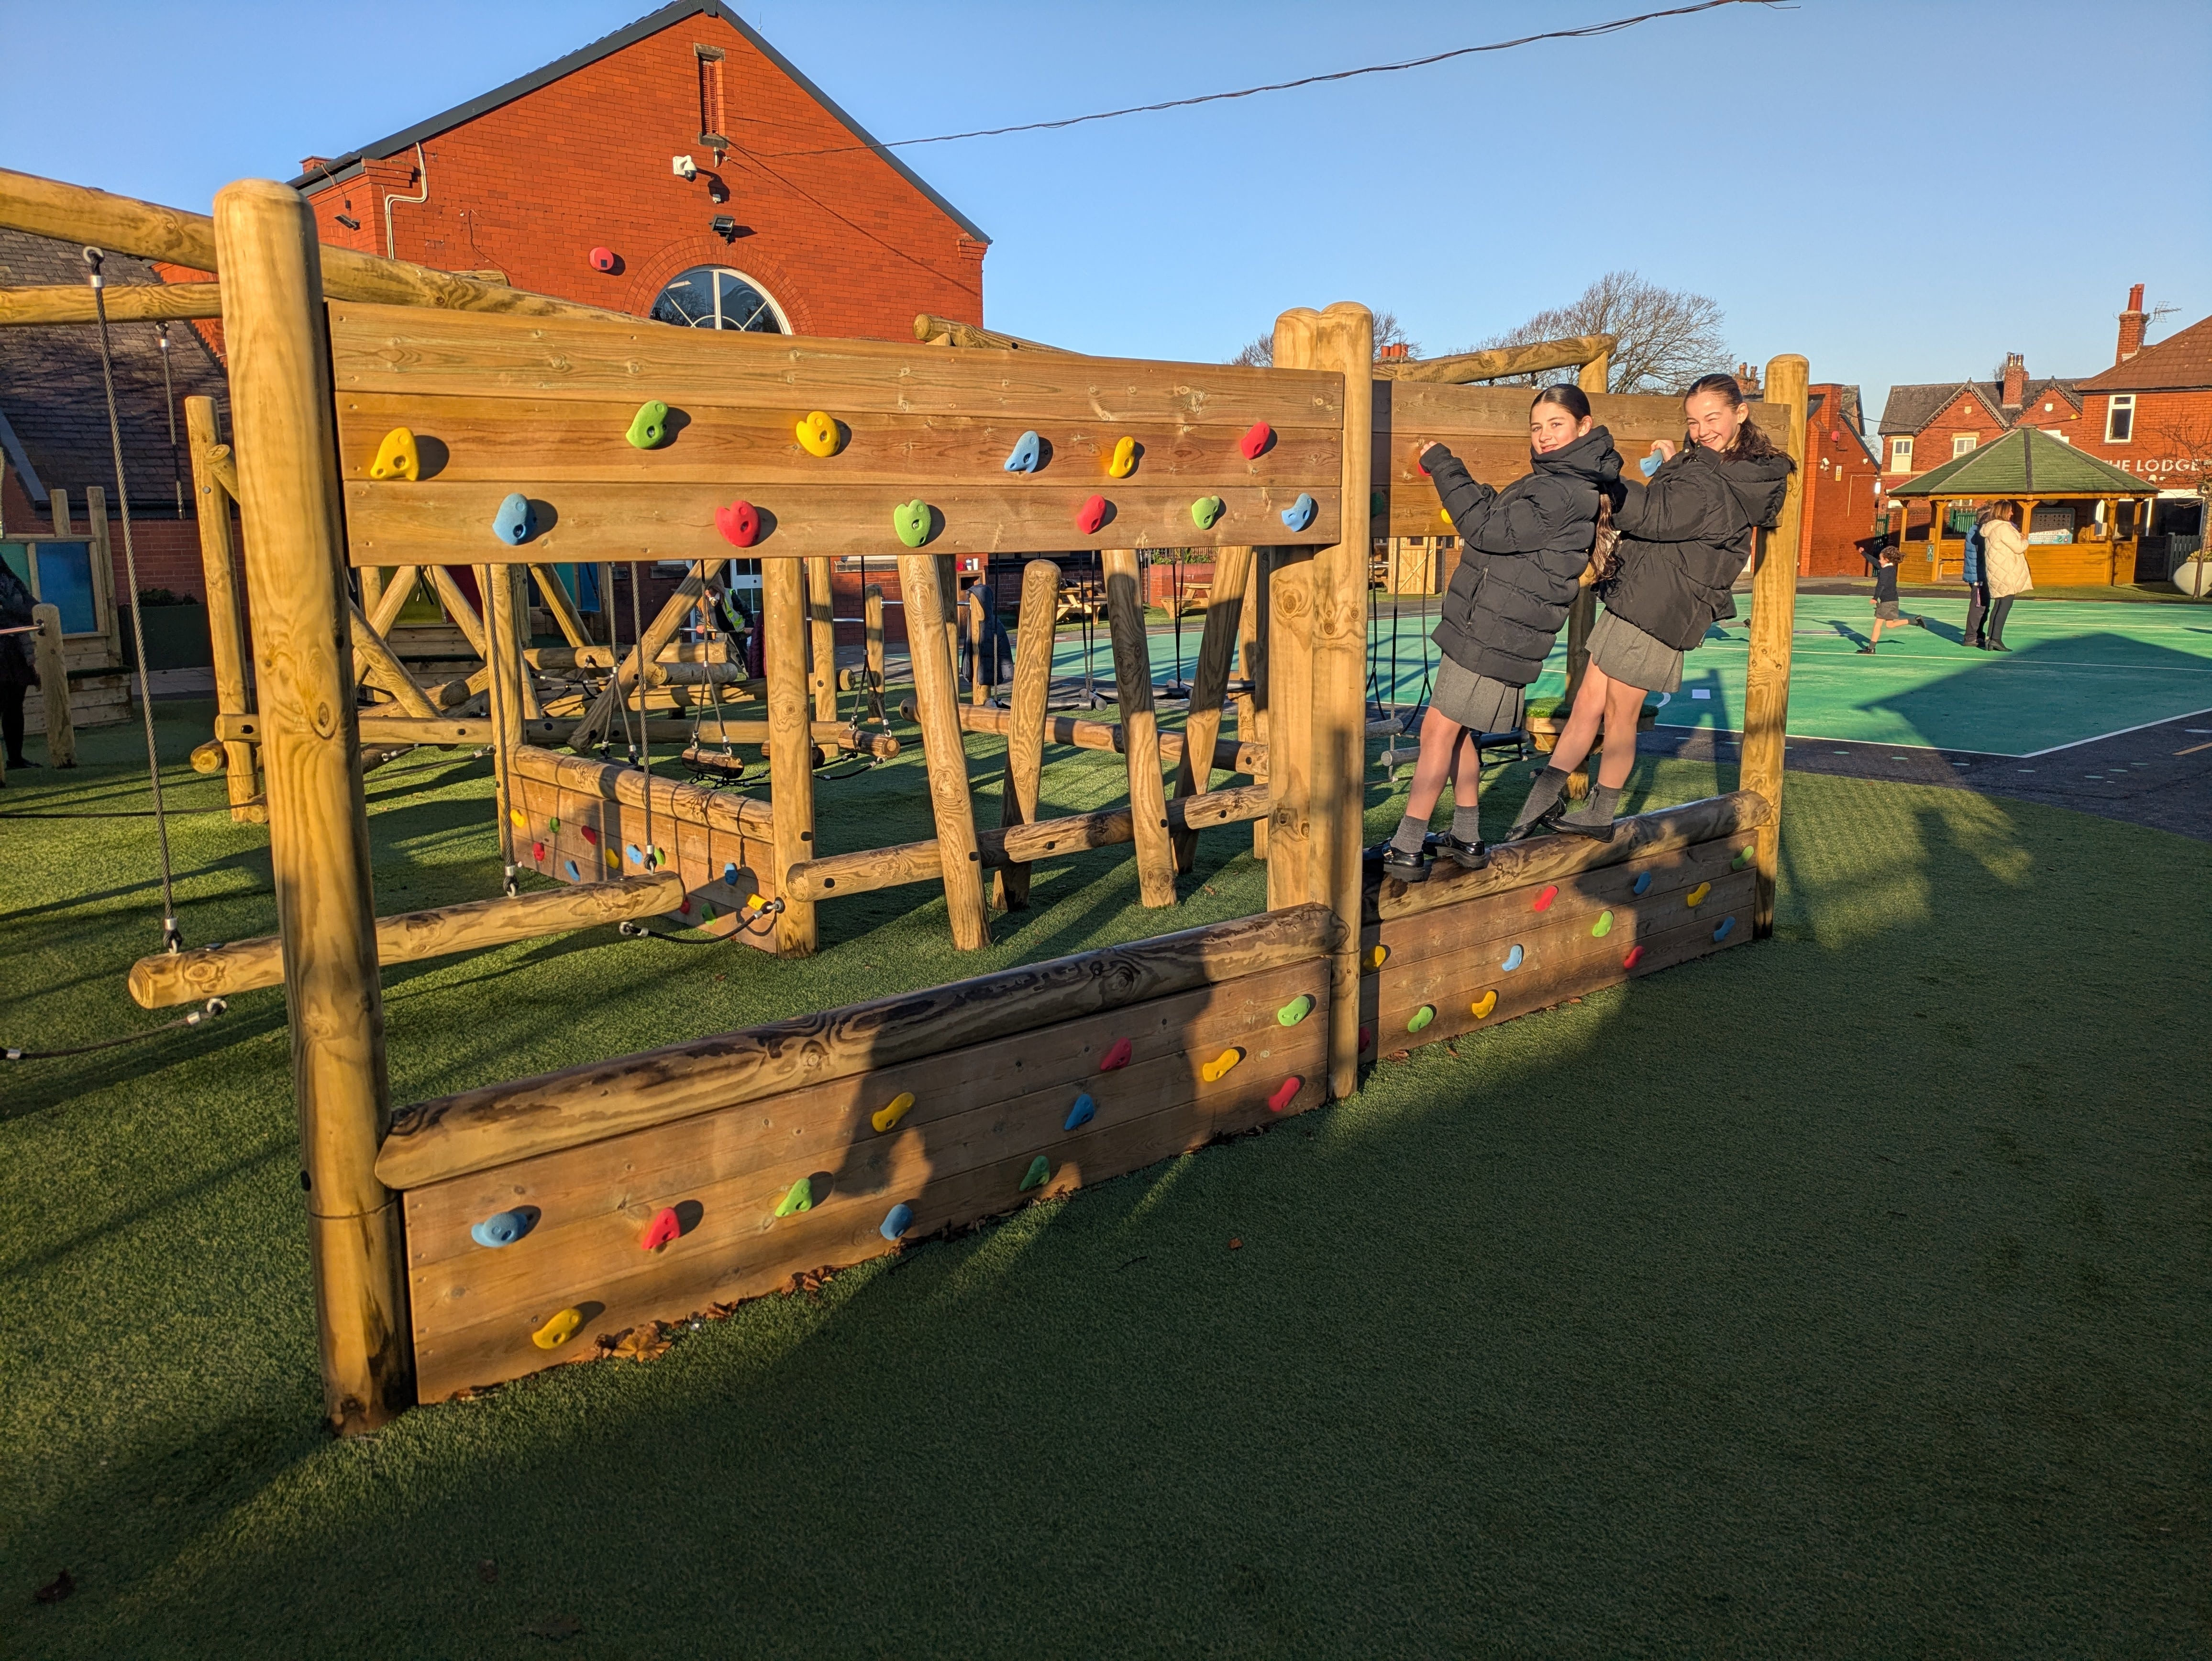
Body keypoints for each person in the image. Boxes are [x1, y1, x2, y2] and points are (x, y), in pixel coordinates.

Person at [1506, 371, 1794, 841]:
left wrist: (1612, 473)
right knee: (1588, 704)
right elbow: (1673, 509)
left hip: (1662, 608)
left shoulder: (1724, 478)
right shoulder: (1707, 468)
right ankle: (1541, 798)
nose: (1701, 430)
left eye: (1712, 418)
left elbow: (1655, 514)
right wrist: (1673, 464)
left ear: (1741, 413)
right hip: (1641, 595)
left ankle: (1600, 812)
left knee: (1620, 713)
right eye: (1693, 420)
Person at [1369, 385, 1622, 882]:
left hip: (1495, 632)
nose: (1545, 436)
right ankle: (1466, 836)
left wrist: (1443, 463)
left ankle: (1407, 844)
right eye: (1537, 427)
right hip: (1491, 626)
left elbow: (1486, 530)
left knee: (1436, 732)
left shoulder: (1562, 489)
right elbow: (1506, 526)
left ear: (1583, 427)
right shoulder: (1560, 482)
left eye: (1557, 425)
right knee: (1459, 730)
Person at [0, 559, 38, 779]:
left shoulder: (11, 581)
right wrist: (14, 612)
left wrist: (10, 610)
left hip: (16, 647)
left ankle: (16, 758)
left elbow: (33, 608)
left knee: (15, 704)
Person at [1979, 499, 2033, 652]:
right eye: (2009, 511)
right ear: (2003, 512)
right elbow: (2018, 548)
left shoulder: (1991, 528)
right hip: (2006, 571)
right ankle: (1996, 639)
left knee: (1999, 605)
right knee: (2005, 606)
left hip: (1997, 571)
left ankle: (1991, 638)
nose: (2012, 513)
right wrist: (2024, 540)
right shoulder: (2003, 528)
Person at [1856, 540, 1921, 653]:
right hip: (1894, 601)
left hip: (1886, 602)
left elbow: (1880, 585)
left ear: (1886, 560)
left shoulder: (1885, 572)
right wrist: (1864, 553)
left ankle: (1871, 648)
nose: (1879, 561)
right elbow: (1875, 562)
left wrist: (1875, 598)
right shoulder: (1890, 568)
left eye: (1881, 559)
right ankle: (1915, 621)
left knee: (1878, 625)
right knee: (1890, 625)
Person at [1960, 509, 1992, 649]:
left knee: (1983, 606)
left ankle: (1978, 634)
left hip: (1978, 574)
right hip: (1978, 576)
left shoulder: (1975, 531)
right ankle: (1971, 637)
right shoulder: (1979, 533)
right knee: (1978, 606)